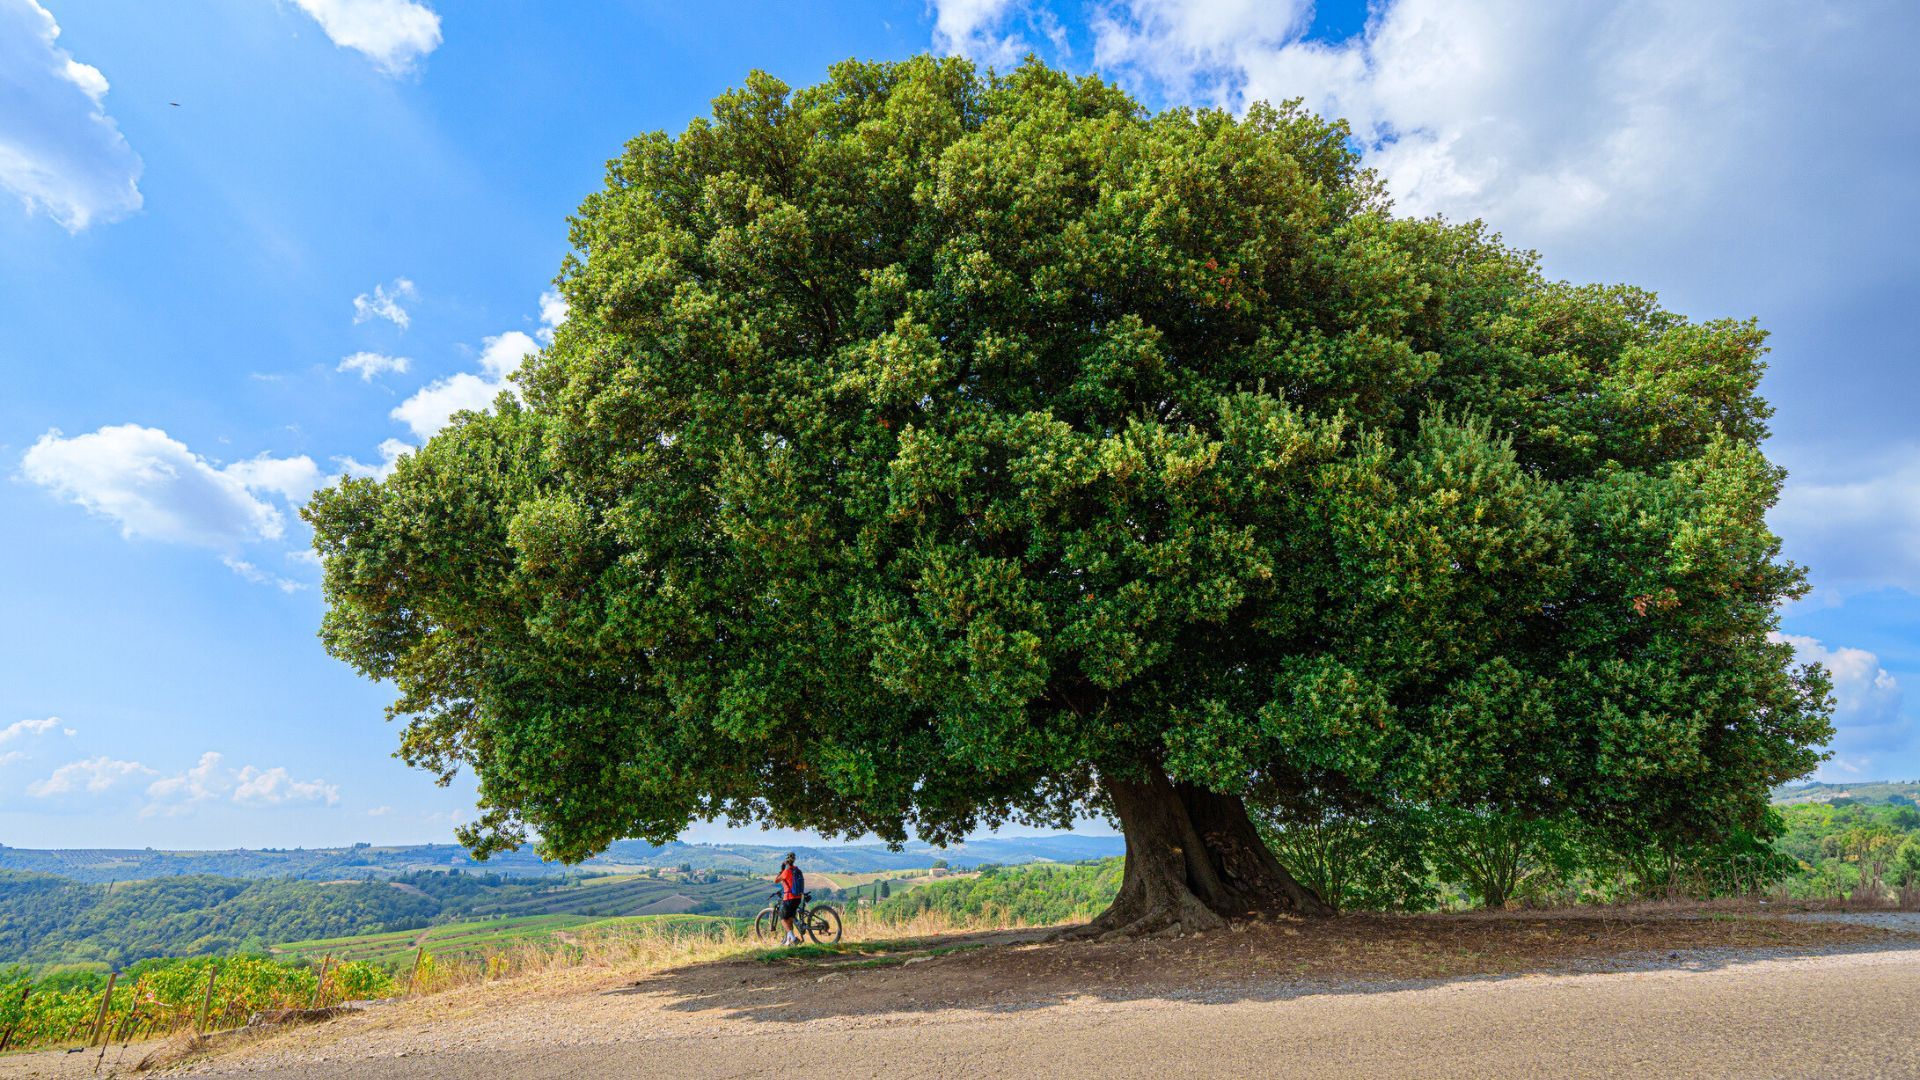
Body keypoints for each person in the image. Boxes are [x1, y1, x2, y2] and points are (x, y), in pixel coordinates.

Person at [776, 851, 806, 945]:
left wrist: (782, 868)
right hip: (798, 898)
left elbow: (776, 880)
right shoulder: (798, 870)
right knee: (790, 918)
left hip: (789, 898)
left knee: (783, 918)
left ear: (787, 861)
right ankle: (789, 941)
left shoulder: (786, 871)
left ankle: (793, 938)